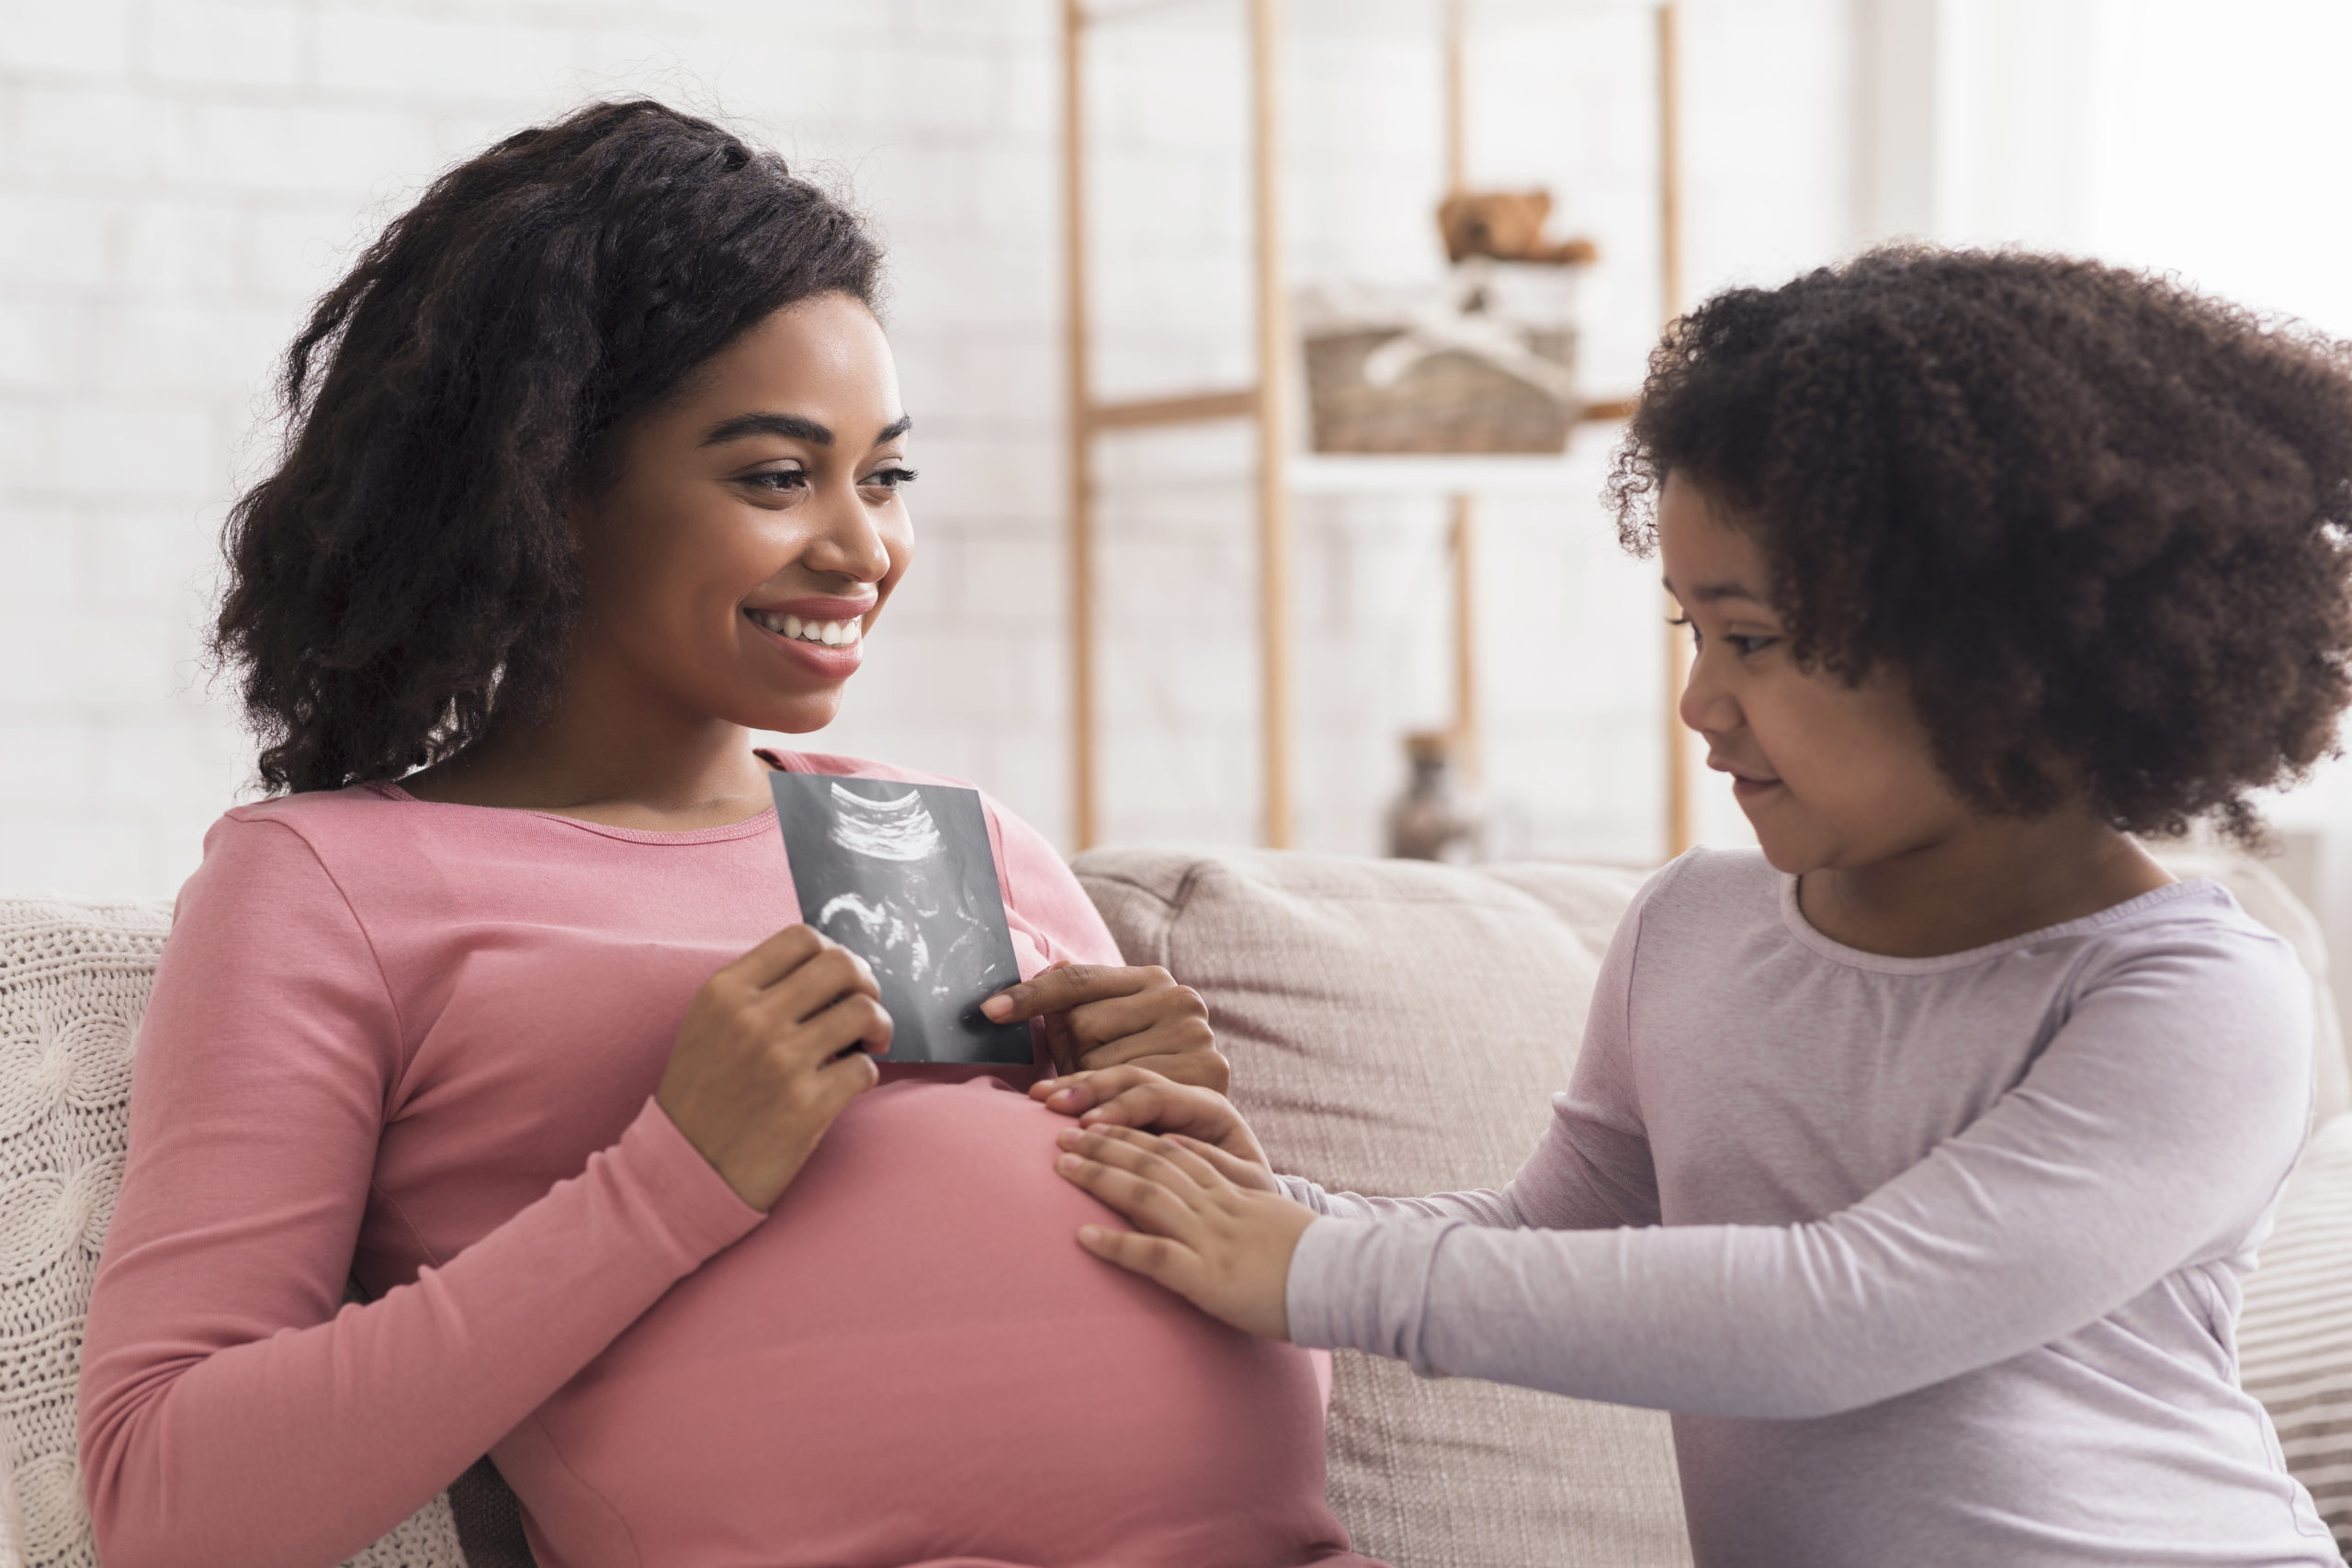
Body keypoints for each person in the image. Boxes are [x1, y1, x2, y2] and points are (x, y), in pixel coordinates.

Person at [77, 101, 1373, 1568]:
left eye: (883, 476)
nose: (863, 547)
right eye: (778, 476)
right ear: (548, 487)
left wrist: (1210, 1168)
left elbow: (1246, 1364)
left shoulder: (962, 839)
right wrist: (671, 1175)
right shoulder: (326, 883)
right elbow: (168, 1505)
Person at [1045, 249, 2352, 1566]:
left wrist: (1308, 1271)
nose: (1701, 705)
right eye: (1692, 632)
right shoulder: (1696, 927)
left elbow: (1843, 1316)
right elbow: (1544, 1237)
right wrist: (1248, 1205)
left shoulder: (2195, 996)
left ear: (1999, 649)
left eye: (1756, 639)